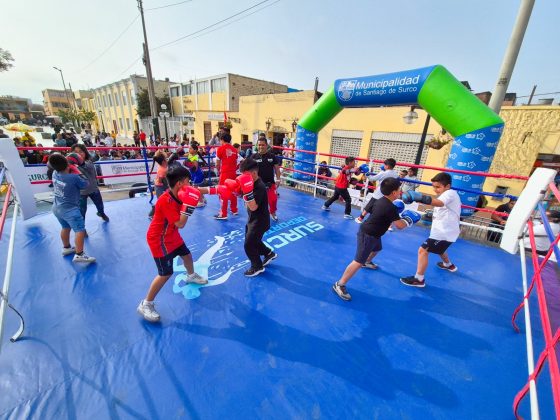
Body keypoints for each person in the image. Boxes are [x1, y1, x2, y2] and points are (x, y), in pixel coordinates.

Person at [137, 165, 208, 322]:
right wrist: (189, 206)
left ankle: (190, 276)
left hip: (171, 235)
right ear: (180, 184)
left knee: (187, 255)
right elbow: (180, 224)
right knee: (165, 274)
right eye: (188, 181)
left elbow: (197, 191)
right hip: (159, 239)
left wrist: (218, 189)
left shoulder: (181, 192)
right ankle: (146, 303)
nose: (190, 184)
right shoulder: (165, 201)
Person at [332, 178, 420, 301]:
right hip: (368, 234)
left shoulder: (381, 201)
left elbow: (380, 215)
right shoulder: (390, 207)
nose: (400, 192)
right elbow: (400, 226)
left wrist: (396, 215)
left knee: (377, 248)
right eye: (399, 190)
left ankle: (367, 261)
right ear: (394, 192)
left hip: (374, 233)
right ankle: (340, 284)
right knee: (358, 261)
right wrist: (409, 219)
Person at [400, 172, 461, 288]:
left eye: (438, 187)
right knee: (439, 248)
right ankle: (449, 265)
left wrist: (420, 197)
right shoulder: (447, 194)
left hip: (444, 233)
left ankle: (419, 279)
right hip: (445, 232)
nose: (435, 190)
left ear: (447, 186)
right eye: (434, 187)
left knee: (423, 250)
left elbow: (440, 203)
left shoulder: (450, 193)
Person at [228, 158, 276, 277]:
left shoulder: (259, 187)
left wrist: (246, 193)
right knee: (254, 241)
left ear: (254, 173)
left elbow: (253, 207)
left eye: (246, 175)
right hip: (254, 219)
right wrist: (239, 193)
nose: (243, 178)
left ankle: (257, 266)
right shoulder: (251, 183)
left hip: (259, 221)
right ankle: (269, 253)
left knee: (249, 245)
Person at [48, 153, 96, 264]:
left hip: (57, 207)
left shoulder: (55, 173)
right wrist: (76, 170)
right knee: (79, 230)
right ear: (67, 165)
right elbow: (85, 184)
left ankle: (66, 248)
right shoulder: (73, 177)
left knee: (65, 227)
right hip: (70, 210)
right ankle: (79, 254)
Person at [71, 144, 110, 223]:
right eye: (75, 152)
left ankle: (101, 213)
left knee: (100, 206)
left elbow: (85, 165)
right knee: (82, 211)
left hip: (93, 189)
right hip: (81, 192)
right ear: (72, 154)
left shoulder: (88, 162)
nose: (78, 154)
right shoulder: (70, 165)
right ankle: (82, 229)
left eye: (81, 151)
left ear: (85, 152)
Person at [251, 137, 282, 221]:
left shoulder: (272, 156)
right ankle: (258, 216)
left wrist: (278, 179)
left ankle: (272, 212)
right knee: (258, 202)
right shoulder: (253, 157)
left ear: (266, 145)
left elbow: (276, 168)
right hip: (258, 185)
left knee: (273, 200)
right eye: (259, 145)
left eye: (263, 145)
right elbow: (248, 170)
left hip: (270, 183)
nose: (261, 147)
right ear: (257, 145)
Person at [215, 133, 238, 220]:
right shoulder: (235, 150)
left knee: (222, 192)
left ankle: (223, 213)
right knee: (233, 191)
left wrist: (218, 171)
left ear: (222, 140)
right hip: (233, 173)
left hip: (225, 173)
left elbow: (217, 163)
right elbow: (238, 160)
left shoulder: (220, 149)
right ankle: (234, 210)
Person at [148, 151, 168, 219]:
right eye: (166, 158)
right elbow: (160, 181)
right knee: (161, 201)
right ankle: (153, 213)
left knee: (166, 200)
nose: (167, 159)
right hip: (159, 186)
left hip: (163, 185)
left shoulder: (163, 165)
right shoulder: (162, 170)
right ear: (163, 161)